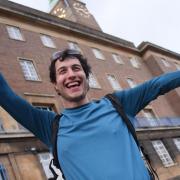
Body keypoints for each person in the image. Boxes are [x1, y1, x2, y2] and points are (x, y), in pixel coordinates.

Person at [0, 48, 180, 180]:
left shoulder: (118, 104)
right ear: (55, 84)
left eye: (76, 68)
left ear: (86, 77)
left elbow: (158, 84)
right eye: (63, 71)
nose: (71, 74)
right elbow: (5, 95)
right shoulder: (48, 125)